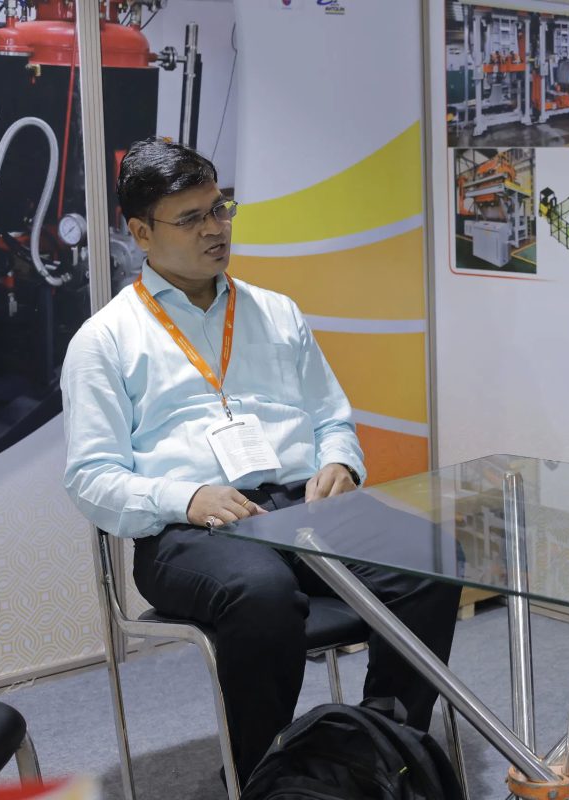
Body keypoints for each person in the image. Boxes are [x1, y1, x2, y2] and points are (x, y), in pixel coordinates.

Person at [61, 138, 461, 785]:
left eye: (220, 209)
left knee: (431, 557)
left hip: (302, 508)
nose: (215, 229)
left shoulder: (276, 312)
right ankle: (266, 777)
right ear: (140, 233)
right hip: (190, 531)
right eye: (191, 219)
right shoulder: (105, 341)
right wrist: (186, 498)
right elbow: (91, 479)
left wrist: (341, 463)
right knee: (262, 592)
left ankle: (376, 749)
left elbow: (332, 417)